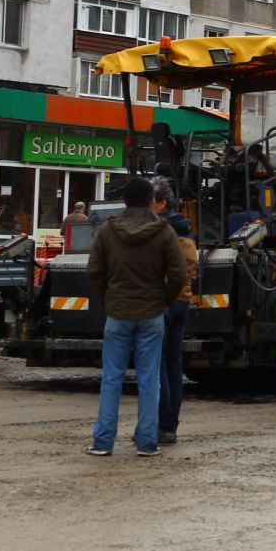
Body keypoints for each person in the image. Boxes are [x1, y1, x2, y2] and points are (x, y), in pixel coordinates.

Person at [86, 177, 187, 456]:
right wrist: (163, 300)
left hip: (117, 313)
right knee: (149, 379)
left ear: (125, 200)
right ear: (149, 199)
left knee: (111, 379)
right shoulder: (164, 231)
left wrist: (109, 298)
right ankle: (147, 443)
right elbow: (179, 274)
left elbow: (94, 271)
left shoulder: (107, 230)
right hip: (152, 313)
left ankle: (103, 442)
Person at [152, 188, 199, 446]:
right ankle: (171, 426)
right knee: (173, 365)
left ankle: (163, 425)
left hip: (166, 301)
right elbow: (188, 268)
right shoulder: (186, 229)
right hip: (182, 301)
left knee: (156, 365)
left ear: (161, 203)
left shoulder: (163, 231)